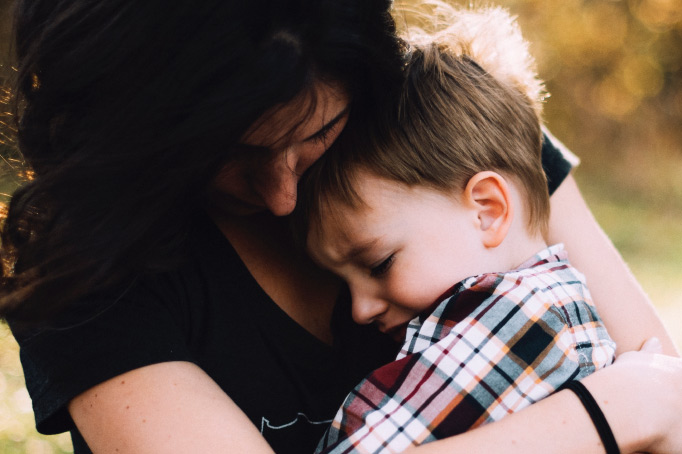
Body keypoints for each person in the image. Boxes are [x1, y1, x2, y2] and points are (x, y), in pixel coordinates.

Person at [0, 1, 679, 453]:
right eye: (228, 155)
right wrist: (609, 412)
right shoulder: (87, 265)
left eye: (317, 133)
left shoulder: (448, 138)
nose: (282, 198)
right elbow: (657, 394)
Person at [295, 9, 618, 452]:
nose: (359, 310)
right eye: (342, 282)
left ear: (487, 210)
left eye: (378, 263)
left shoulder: (518, 319)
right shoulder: (549, 306)